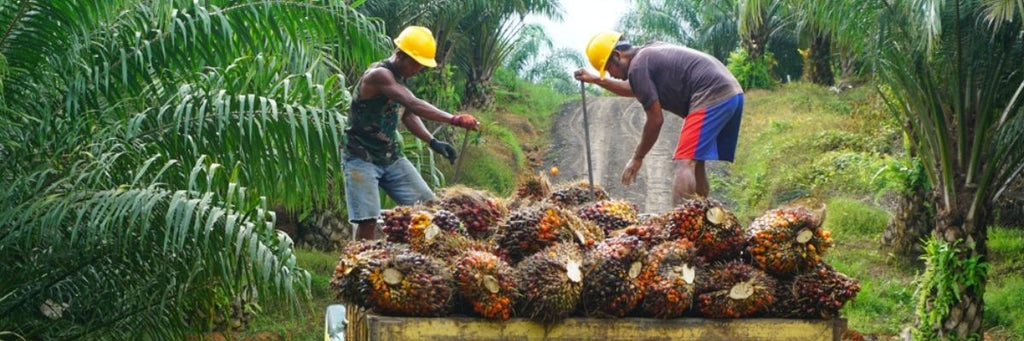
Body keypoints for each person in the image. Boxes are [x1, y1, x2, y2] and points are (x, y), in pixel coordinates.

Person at [574, 31, 744, 207]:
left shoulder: (638, 66)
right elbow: (636, 88)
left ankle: (679, 228)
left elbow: (655, 120)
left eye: (609, 69)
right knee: (696, 161)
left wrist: (638, 157)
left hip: (712, 94)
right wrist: (596, 80)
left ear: (617, 56)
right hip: (731, 93)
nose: (610, 75)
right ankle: (703, 220)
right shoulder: (647, 53)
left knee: (684, 163)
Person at [343, 26, 479, 240]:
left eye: (421, 66)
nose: (417, 69)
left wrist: (433, 141)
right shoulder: (380, 74)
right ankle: (359, 264)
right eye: (415, 63)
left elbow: (406, 114)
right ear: (399, 55)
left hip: (391, 157)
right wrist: (454, 119)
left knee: (428, 206)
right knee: (367, 220)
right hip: (361, 158)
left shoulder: (400, 78)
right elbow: (412, 104)